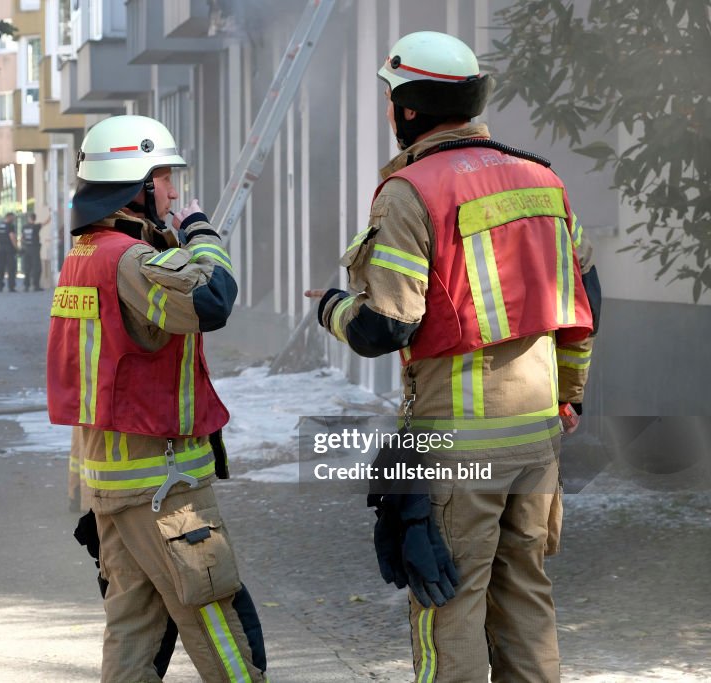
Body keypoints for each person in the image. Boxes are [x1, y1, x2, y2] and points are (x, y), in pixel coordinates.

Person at [307, 32, 601, 682]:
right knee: (526, 600)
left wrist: (330, 307)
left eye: (391, 99)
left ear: (408, 110)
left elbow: (386, 324)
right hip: (537, 443)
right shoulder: (542, 181)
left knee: (450, 611)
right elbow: (584, 302)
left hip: (456, 449)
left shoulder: (411, 192)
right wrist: (568, 394)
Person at [47, 114, 266, 682]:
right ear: (134, 186)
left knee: (133, 629)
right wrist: (202, 233)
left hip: (114, 482)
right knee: (218, 620)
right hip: (162, 488)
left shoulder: (85, 255)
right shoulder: (130, 261)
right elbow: (212, 300)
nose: (174, 191)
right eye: (164, 177)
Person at [19, 211, 49, 292]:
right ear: (35, 219)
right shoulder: (36, 226)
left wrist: (22, 246)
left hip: (26, 249)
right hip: (34, 249)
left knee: (27, 268)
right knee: (37, 267)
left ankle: (26, 286)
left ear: (29, 219)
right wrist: (51, 213)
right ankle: (36, 286)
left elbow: (21, 238)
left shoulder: (24, 227)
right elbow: (46, 222)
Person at [0, 212, 18, 292]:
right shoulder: (10, 226)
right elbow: (12, 237)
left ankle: (0, 285)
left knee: (0, 268)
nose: (13, 219)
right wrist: (16, 248)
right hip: (9, 249)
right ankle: (11, 287)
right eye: (13, 218)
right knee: (11, 268)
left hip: (1, 249)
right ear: (9, 217)